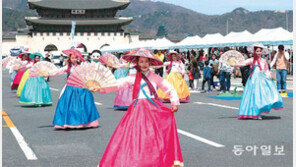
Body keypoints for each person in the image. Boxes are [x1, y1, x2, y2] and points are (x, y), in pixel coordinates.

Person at [97, 48, 183, 167]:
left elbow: (169, 88)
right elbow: (117, 84)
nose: (144, 64)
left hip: (153, 109)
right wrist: (101, 87)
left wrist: (174, 102)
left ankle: (155, 159)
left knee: (153, 136)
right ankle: (136, 160)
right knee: (135, 136)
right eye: (141, 61)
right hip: (137, 110)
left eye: (146, 61)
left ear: (150, 63)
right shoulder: (132, 77)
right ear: (137, 63)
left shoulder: (155, 77)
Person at [230, 43, 283, 120]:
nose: (259, 53)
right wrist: (234, 64)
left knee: (261, 96)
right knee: (253, 96)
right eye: (257, 51)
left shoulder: (263, 61)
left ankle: (257, 113)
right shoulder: (251, 60)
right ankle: (253, 113)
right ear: (254, 52)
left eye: (260, 51)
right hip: (253, 81)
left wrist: (269, 75)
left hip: (261, 81)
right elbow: (243, 63)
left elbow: (266, 70)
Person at [51, 49, 100, 129]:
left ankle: (83, 122)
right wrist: (48, 73)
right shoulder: (67, 67)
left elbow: (87, 74)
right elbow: (57, 72)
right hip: (69, 88)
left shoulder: (81, 66)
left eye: (75, 57)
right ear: (70, 58)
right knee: (67, 105)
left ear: (78, 58)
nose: (74, 59)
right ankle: (69, 122)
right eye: (72, 57)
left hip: (80, 87)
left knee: (82, 104)